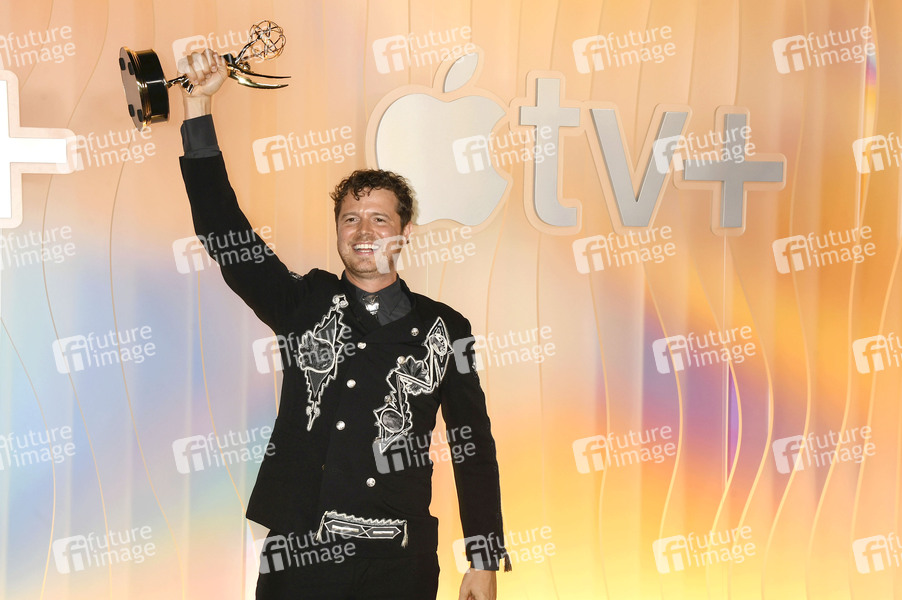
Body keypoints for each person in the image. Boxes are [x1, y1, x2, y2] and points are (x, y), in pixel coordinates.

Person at [177, 49, 509, 600]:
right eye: (350, 219)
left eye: (379, 218)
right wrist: (198, 107)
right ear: (337, 230)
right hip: (300, 556)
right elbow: (223, 231)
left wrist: (483, 557)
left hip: (398, 564)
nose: (363, 231)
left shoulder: (446, 329)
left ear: (404, 232)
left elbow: (472, 444)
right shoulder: (304, 303)